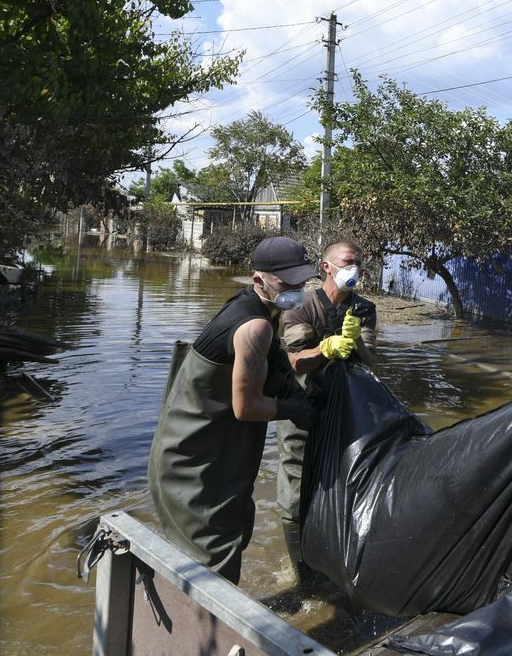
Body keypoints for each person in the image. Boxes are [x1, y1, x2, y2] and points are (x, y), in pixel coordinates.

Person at [147, 236, 319, 583]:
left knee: (236, 535)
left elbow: (274, 369)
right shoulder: (253, 326)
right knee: (213, 569)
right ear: (259, 281)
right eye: (289, 283)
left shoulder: (267, 312)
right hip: (194, 462)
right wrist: (296, 410)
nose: (298, 290)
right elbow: (246, 407)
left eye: (302, 281)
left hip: (218, 453)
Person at [276, 240, 378, 574]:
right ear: (326, 266)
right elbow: (293, 362)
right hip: (302, 406)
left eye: (358, 263)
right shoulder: (299, 305)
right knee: (295, 485)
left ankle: (337, 559)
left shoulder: (363, 308)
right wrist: (327, 348)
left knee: (346, 481)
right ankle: (300, 570)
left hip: (347, 408)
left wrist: (358, 340)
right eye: (348, 261)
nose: (355, 269)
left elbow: (373, 362)